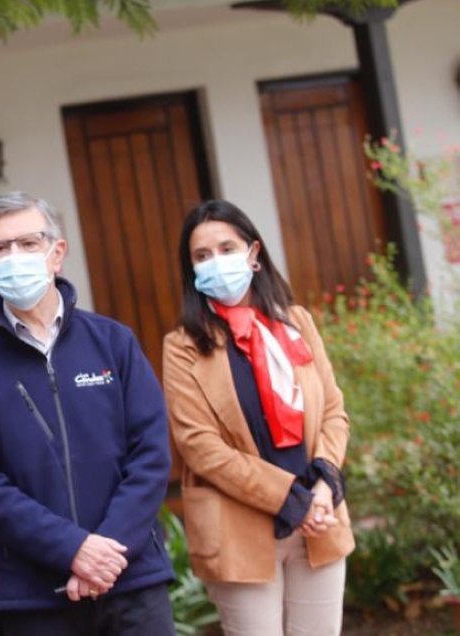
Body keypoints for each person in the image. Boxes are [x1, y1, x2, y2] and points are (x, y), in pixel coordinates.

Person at [0, 191, 176, 635]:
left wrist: (107, 553)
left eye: (29, 243)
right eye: (0, 248)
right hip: (34, 597)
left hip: (132, 579)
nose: (15, 256)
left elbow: (150, 456)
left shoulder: (114, 343)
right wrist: (73, 549)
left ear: (57, 253)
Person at [162, 200, 354, 636]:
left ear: (253, 254)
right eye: (201, 256)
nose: (216, 262)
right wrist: (293, 500)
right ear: (191, 269)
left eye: (226, 248)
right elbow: (200, 447)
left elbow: (334, 413)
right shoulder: (182, 345)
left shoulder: (297, 323)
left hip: (320, 521)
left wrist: (323, 485)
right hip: (239, 530)